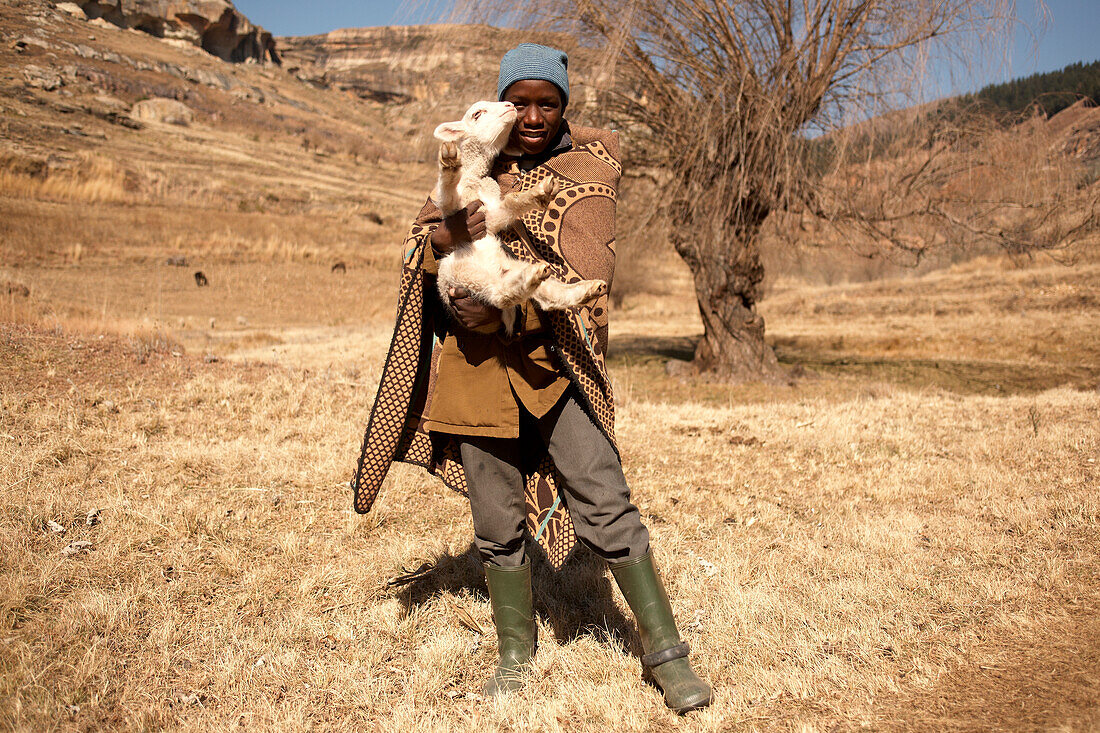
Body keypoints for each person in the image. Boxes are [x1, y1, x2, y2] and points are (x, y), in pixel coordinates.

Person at [352, 43, 712, 714]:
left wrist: (506, 236)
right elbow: (423, 248)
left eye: (548, 102)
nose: (534, 115)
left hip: (554, 368)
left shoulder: (588, 172)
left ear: (565, 106)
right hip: (476, 372)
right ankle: (517, 652)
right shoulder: (470, 166)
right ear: (500, 104)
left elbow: (586, 261)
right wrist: (450, 258)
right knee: (495, 520)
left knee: (608, 502)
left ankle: (667, 655)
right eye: (520, 102)